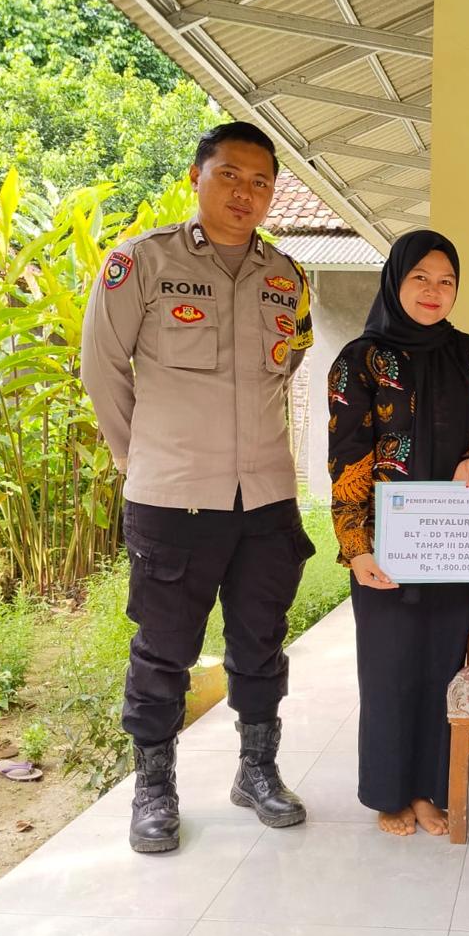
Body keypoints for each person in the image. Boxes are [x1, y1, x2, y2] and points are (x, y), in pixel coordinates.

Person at [81, 121, 317, 853]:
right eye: (229, 175)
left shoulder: (289, 278)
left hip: (265, 497)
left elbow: (289, 364)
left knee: (262, 641)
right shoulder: (141, 263)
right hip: (172, 498)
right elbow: (101, 365)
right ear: (196, 176)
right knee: (163, 650)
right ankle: (153, 789)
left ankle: (257, 770)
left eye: (260, 181)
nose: (245, 192)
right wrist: (140, 458)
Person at [327, 229, 469, 837]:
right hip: (386, 550)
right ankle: (390, 794)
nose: (434, 291)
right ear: (395, 281)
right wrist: (356, 549)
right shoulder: (360, 360)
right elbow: (347, 459)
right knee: (388, 672)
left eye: (446, 281)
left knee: (440, 669)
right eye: (421, 279)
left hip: (453, 544)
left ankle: (429, 791)